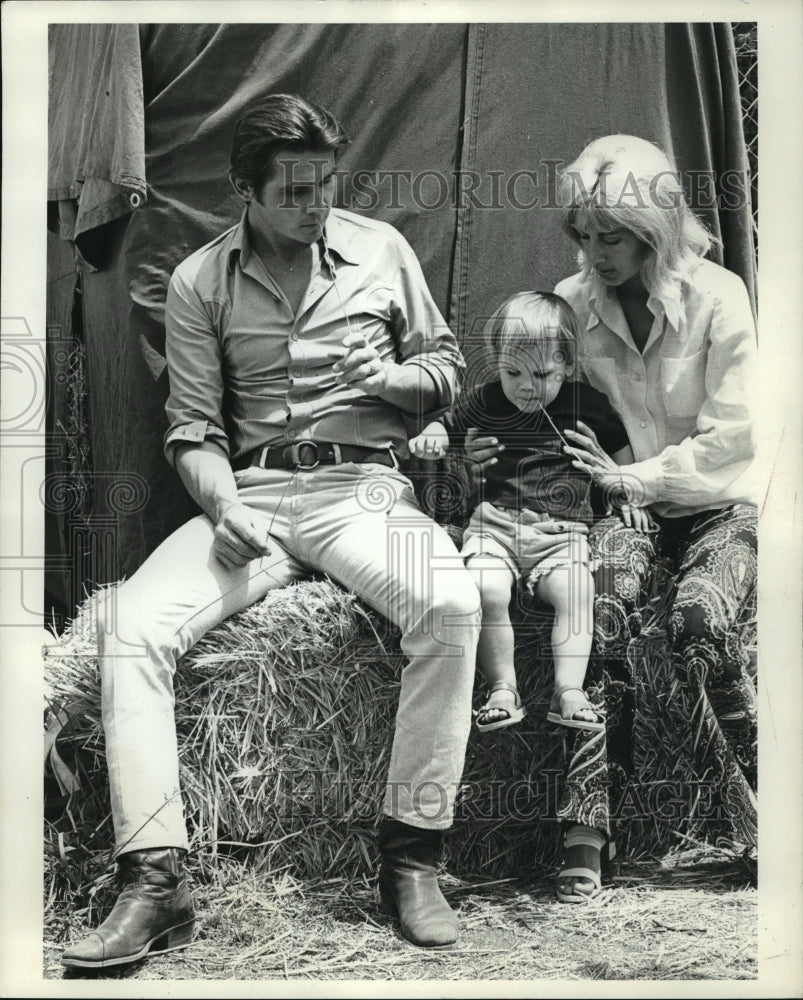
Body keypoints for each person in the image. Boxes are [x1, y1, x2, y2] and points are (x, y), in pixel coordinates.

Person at [61, 94, 482, 968]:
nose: (314, 204)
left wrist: (395, 381)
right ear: (243, 190)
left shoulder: (381, 251)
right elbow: (192, 430)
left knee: (450, 604)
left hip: (359, 490)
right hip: (251, 496)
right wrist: (225, 509)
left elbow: (445, 368)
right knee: (131, 628)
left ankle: (413, 855)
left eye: (324, 185)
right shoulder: (197, 282)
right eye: (293, 191)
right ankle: (155, 877)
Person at [466, 135, 758, 903]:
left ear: (655, 231)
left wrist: (631, 474)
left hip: (713, 501)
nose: (593, 252)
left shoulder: (718, 296)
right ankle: (585, 834)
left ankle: (771, 822)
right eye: (582, 236)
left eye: (612, 236)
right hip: (618, 508)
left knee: (700, 625)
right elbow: (541, 409)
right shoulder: (569, 306)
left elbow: (733, 437)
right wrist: (484, 457)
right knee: (604, 611)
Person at [410, 291, 640, 736]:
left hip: (562, 534)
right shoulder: (489, 400)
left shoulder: (586, 404)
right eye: (511, 372)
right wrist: (434, 436)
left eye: (541, 374)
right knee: (484, 589)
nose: (525, 386)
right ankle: (502, 687)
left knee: (577, 592)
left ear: (568, 366)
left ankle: (568, 690)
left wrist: (626, 493)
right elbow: (449, 423)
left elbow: (620, 457)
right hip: (495, 527)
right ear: (496, 361)